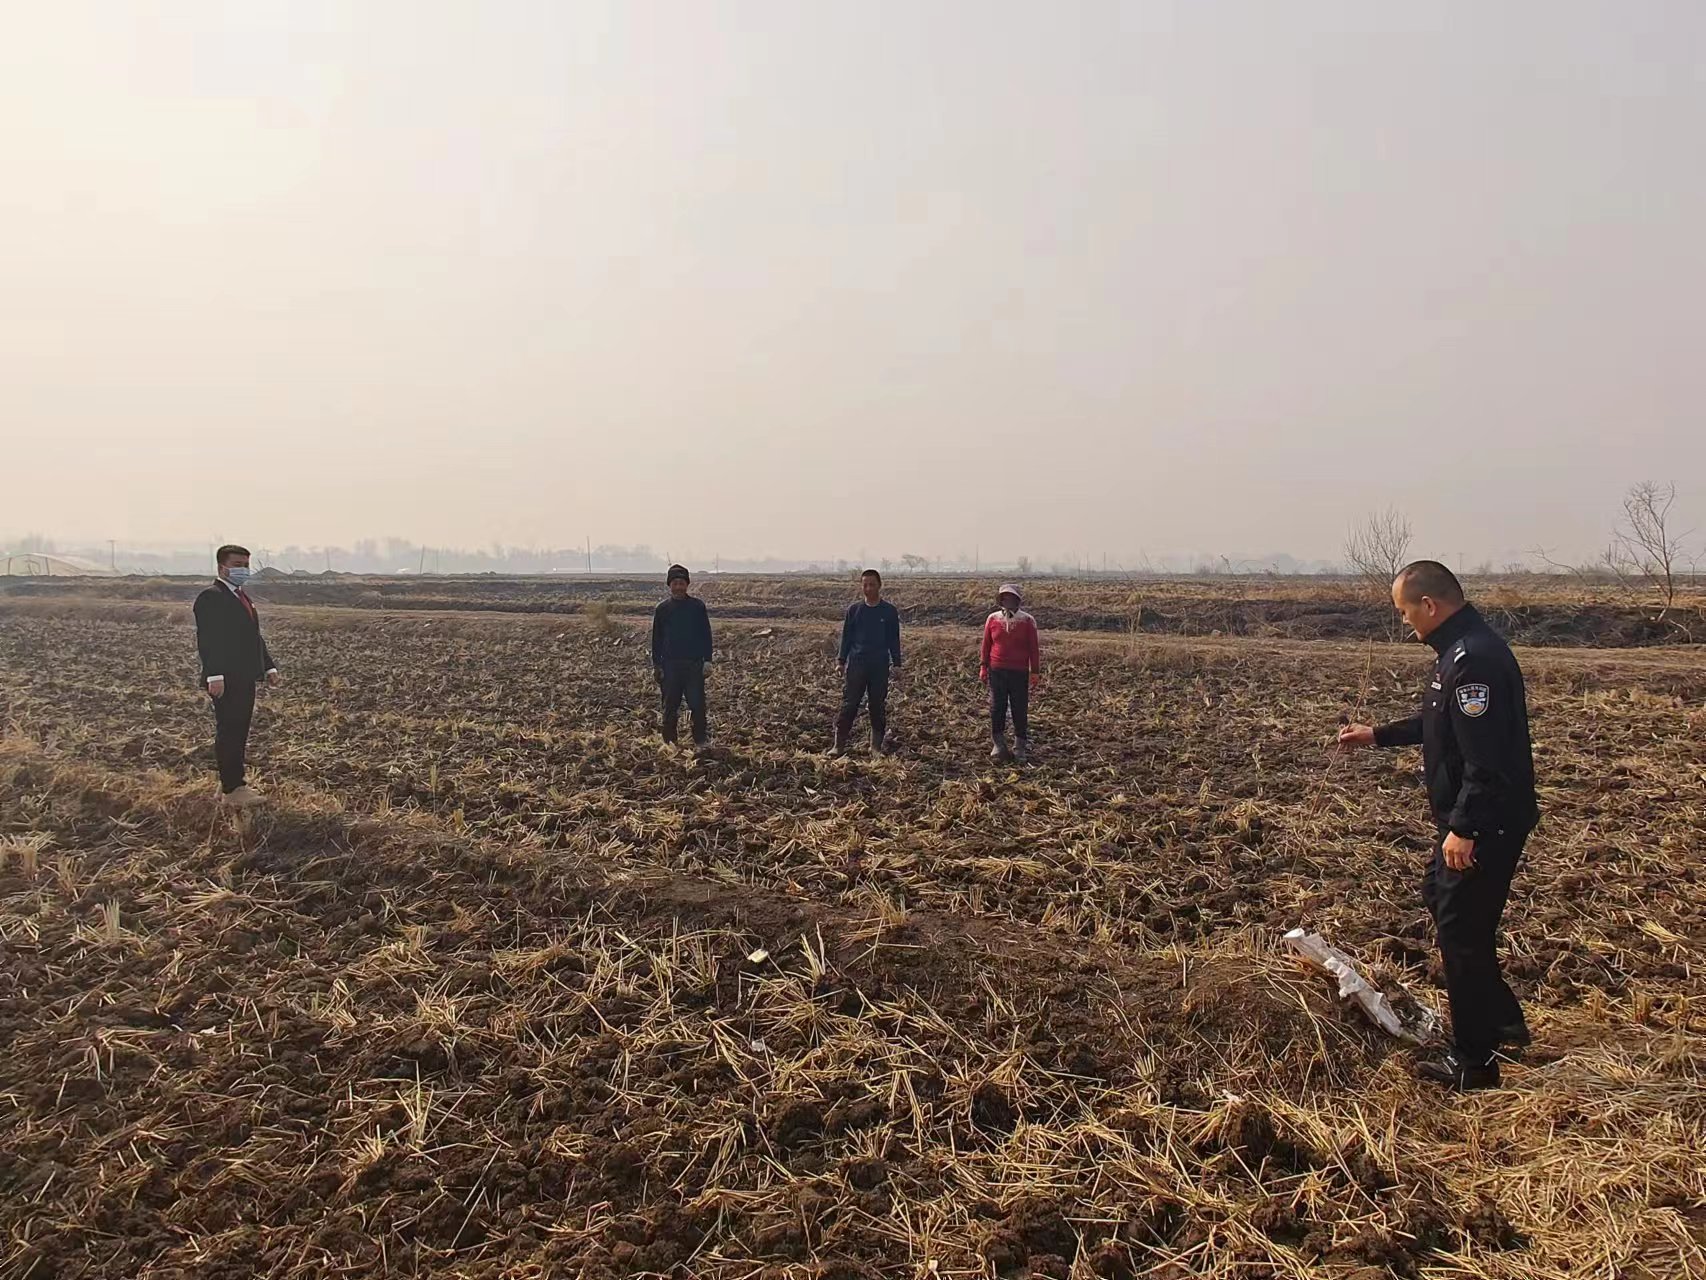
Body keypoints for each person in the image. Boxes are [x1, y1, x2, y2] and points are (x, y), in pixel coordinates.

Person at [1338, 561, 1539, 1090]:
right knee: (1444, 901)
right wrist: (1377, 735)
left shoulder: (1474, 662)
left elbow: (1485, 759)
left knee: (1461, 933)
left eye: (1405, 611)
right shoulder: (1457, 653)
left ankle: (1474, 1062)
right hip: (1475, 817)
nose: (1404, 622)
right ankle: (1501, 1019)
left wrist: (1465, 828)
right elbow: (1439, 726)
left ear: (1429, 605)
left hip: (1487, 822)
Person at [193, 545, 280, 807]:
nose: (244, 570)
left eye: (246, 565)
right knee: (230, 730)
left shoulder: (241, 597)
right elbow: (208, 639)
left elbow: (253, 637)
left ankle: (228, 783)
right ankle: (233, 789)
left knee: (239, 728)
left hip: (244, 675)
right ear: (222, 568)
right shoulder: (211, 597)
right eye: (237, 565)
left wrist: (268, 667)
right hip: (226, 677)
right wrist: (214, 675)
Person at [834, 569, 903, 755]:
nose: (868, 588)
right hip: (857, 664)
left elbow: (894, 639)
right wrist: (841, 661)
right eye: (865, 585)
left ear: (879, 585)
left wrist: (897, 663)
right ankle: (838, 746)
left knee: (877, 705)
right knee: (849, 704)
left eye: (872, 584)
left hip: (879, 665)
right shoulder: (854, 610)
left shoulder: (888, 611)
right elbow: (846, 637)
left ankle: (875, 747)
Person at [651, 564, 714, 747]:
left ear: (687, 585)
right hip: (670, 665)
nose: (678, 587)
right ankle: (670, 741)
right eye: (675, 583)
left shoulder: (697, 607)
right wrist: (657, 665)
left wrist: (707, 660)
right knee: (670, 705)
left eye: (682, 583)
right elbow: (657, 639)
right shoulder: (662, 609)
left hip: (693, 665)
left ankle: (700, 740)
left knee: (697, 704)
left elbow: (706, 634)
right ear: (669, 585)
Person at [980, 583, 1041, 763]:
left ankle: (1019, 746)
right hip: (997, 670)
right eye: (1005, 598)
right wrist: (983, 667)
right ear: (1001, 600)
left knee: (1019, 708)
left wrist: (1035, 671)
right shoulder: (992, 619)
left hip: (1019, 671)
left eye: (1011, 598)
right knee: (997, 707)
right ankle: (998, 744)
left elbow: (1033, 648)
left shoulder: (1027, 621)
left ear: (1017, 600)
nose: (1008, 601)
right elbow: (986, 645)